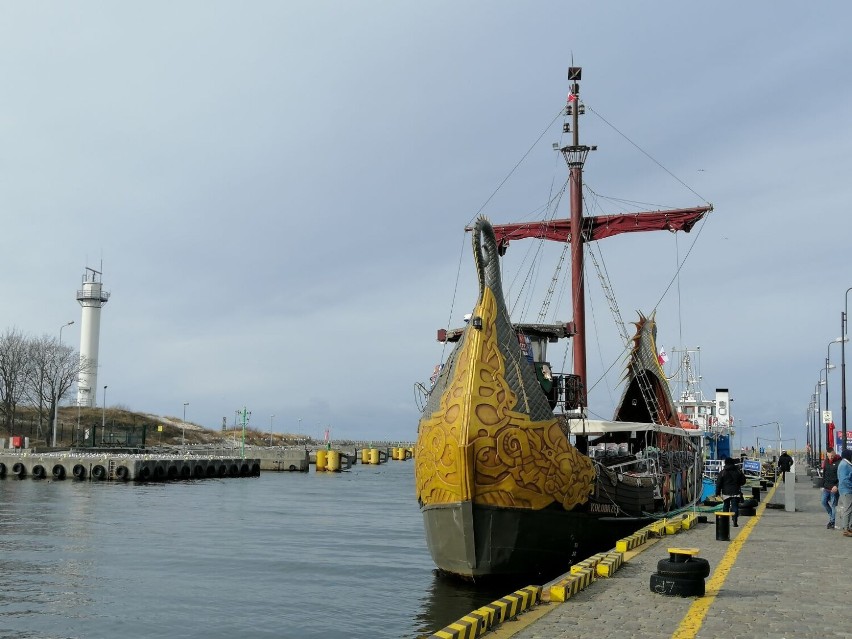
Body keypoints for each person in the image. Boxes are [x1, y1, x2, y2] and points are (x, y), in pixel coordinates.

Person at [716, 457, 747, 527]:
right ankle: (735, 519)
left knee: (726, 505)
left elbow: (718, 483)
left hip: (726, 493)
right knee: (735, 506)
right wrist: (738, 484)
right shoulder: (738, 471)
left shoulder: (723, 472)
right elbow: (743, 481)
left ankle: (725, 520)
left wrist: (717, 493)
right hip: (736, 492)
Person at [821, 447, 841, 529]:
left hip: (834, 488)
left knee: (833, 505)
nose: (830, 458)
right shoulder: (826, 462)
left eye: (832, 456)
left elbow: (841, 476)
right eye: (829, 456)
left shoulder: (839, 462)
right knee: (823, 502)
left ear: (834, 453)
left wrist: (837, 486)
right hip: (826, 487)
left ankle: (832, 522)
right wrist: (823, 484)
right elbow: (824, 474)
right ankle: (831, 517)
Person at [838, 449, 852, 537]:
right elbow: (844, 479)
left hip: (846, 489)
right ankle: (846, 529)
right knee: (848, 509)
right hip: (847, 490)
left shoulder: (845, 464)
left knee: (849, 508)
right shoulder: (844, 465)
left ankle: (848, 527)